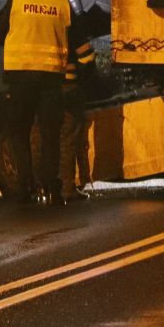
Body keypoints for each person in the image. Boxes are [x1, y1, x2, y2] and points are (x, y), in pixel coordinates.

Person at [0, 0, 75, 204]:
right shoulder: (61, 4)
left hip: (20, 77)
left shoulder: (17, 1)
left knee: (19, 131)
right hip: (51, 79)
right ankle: (51, 186)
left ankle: (26, 186)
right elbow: (72, 34)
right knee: (50, 134)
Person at [59, 15, 96, 202]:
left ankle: (42, 186)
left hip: (41, 87)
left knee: (41, 138)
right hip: (68, 86)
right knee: (68, 137)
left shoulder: (23, 12)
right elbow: (86, 56)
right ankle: (67, 186)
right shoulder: (63, 12)